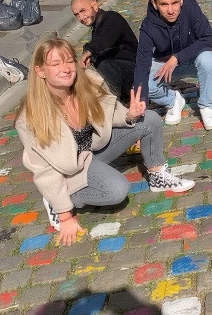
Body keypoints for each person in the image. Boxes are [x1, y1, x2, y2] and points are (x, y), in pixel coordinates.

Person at [16, 37, 194, 246]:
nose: (66, 68)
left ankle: (157, 176)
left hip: (94, 150)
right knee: (117, 191)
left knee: (150, 120)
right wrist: (65, 214)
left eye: (70, 61)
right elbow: (45, 169)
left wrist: (130, 115)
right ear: (40, 71)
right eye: (56, 64)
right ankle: (57, 199)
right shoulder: (31, 117)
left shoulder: (86, 83)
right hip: (71, 170)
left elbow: (109, 114)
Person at [134, 0, 212, 130]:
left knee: (208, 59)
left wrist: (177, 57)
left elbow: (209, 38)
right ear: (155, 4)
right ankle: (173, 100)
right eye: (164, 4)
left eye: (174, 3)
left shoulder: (191, 8)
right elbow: (142, 63)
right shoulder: (148, 25)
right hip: (165, 67)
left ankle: (206, 105)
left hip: (191, 61)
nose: (171, 10)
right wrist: (140, 104)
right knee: (144, 84)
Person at [71, 0, 137, 105]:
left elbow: (105, 39)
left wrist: (90, 51)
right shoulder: (97, 27)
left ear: (95, 5)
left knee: (104, 65)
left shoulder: (112, 18)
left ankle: (115, 105)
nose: (81, 18)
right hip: (121, 73)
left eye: (83, 11)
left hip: (134, 72)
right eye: (77, 14)